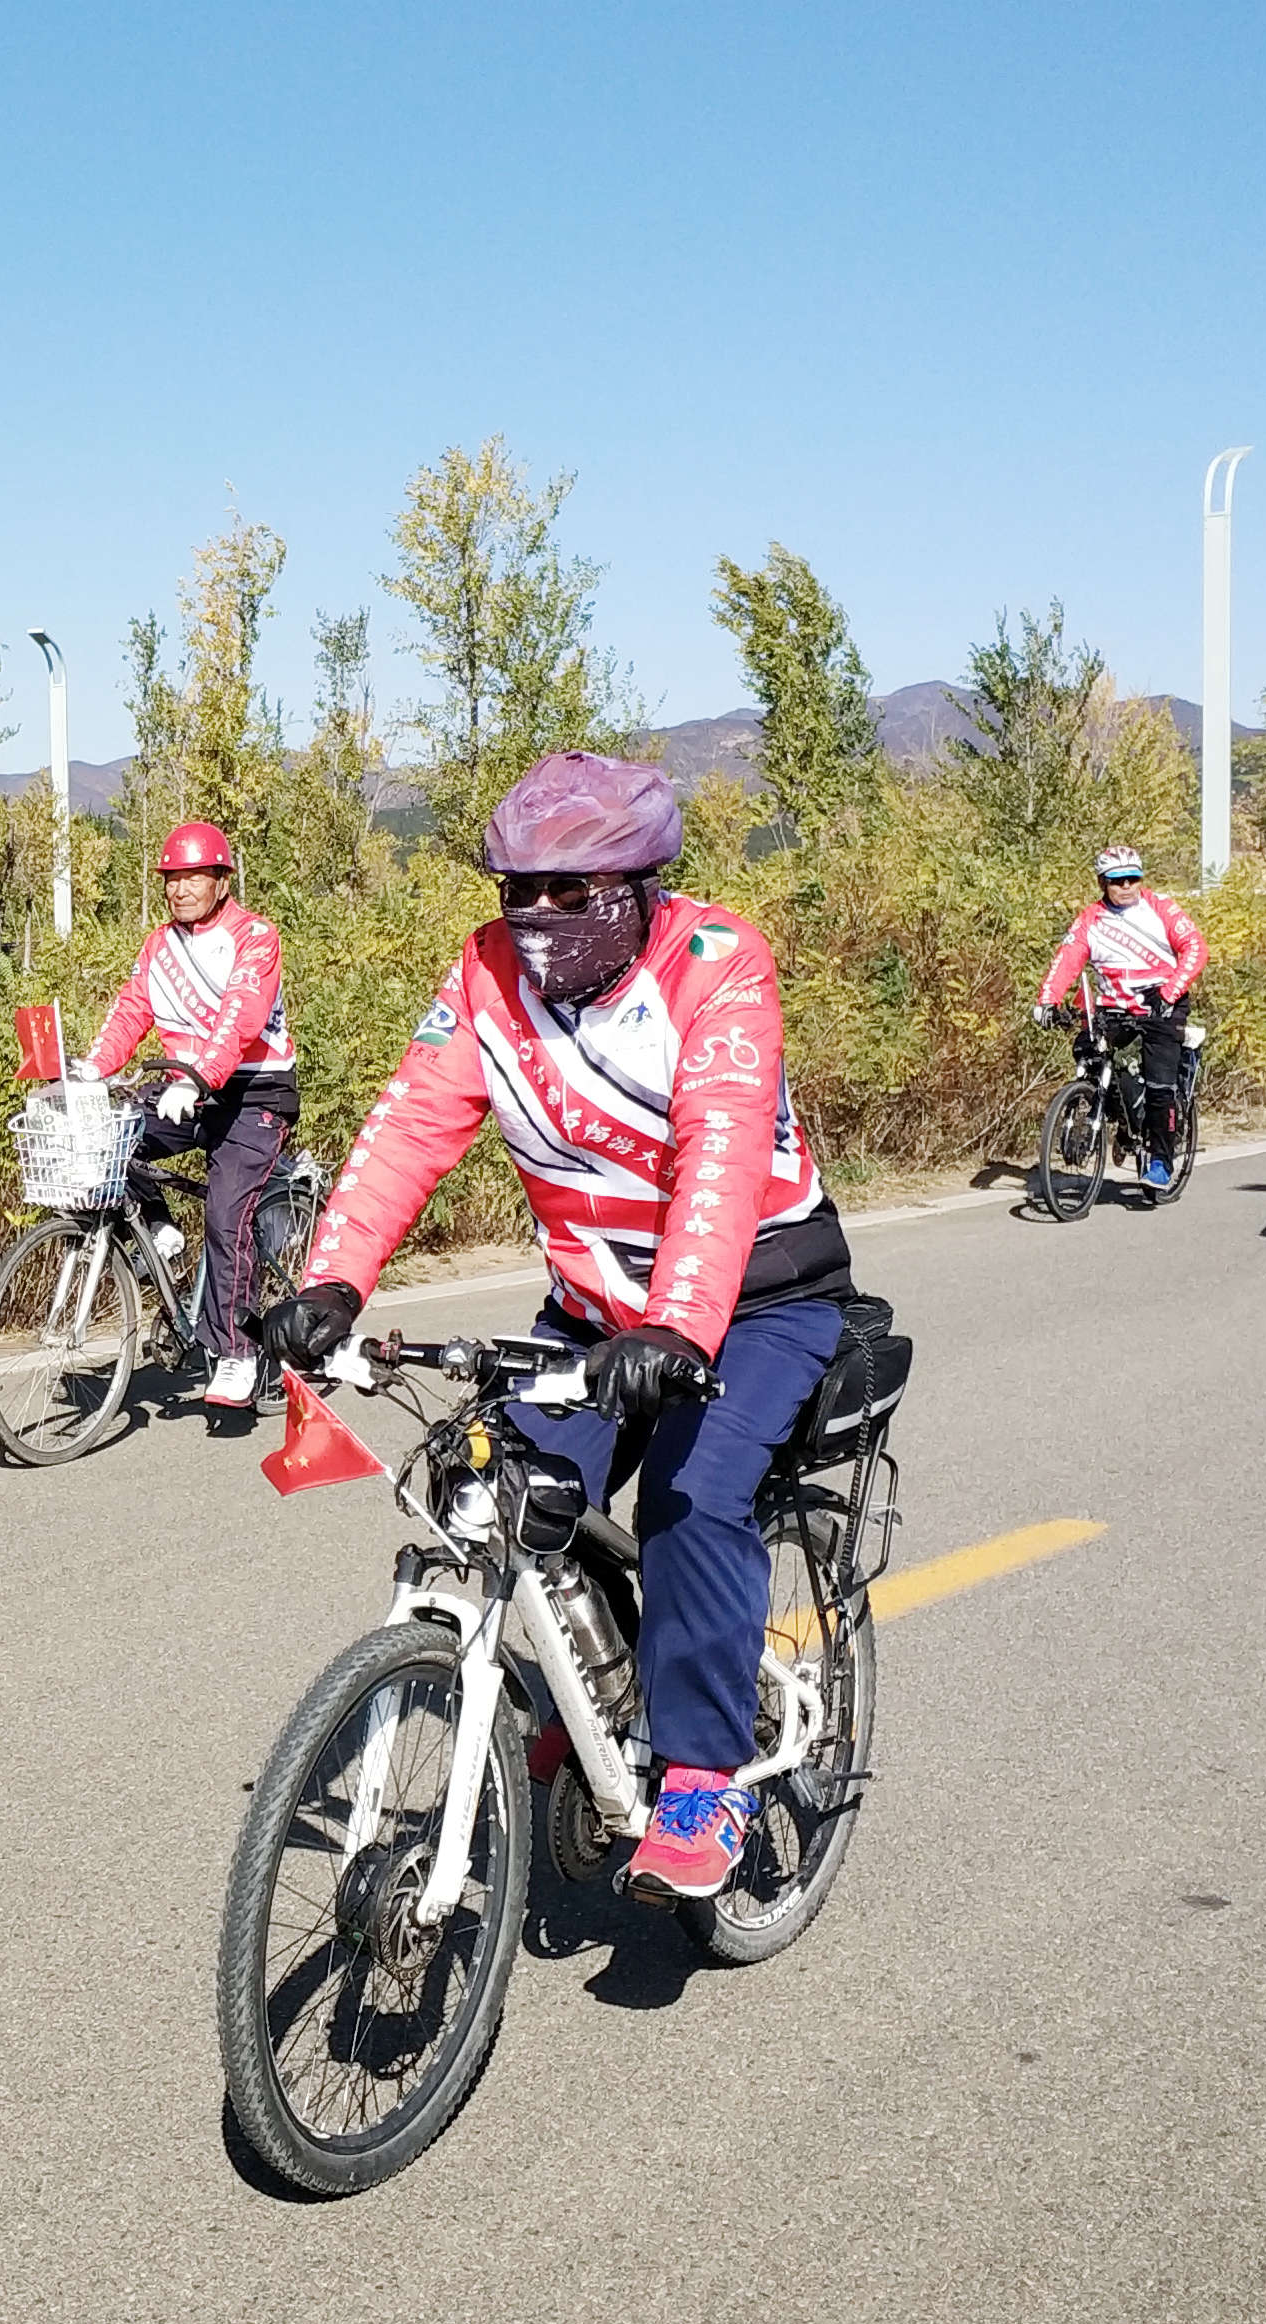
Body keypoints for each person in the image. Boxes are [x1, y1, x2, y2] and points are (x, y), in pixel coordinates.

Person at [257, 751, 855, 1908]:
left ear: (635, 886)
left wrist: (678, 1327)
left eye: (566, 892)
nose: (534, 914)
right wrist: (332, 1282)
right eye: (515, 889)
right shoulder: (486, 974)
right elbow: (410, 1125)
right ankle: (600, 1698)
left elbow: (721, 1152)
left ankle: (702, 1777)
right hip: (593, 1310)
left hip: (754, 1300)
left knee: (690, 1500)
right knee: (498, 1489)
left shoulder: (716, 964)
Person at [80, 819, 297, 1411]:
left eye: (194, 877)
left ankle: (237, 1353)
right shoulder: (159, 946)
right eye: (172, 879)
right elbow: (132, 1011)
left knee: (226, 1216)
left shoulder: (255, 937)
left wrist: (200, 1075)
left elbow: (241, 1016)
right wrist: (92, 1067)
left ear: (222, 880)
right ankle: (158, 1227)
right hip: (188, 1087)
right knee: (109, 1140)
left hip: (255, 1094)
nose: (180, 889)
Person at [1031, 847, 1206, 1192]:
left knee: (1159, 1085)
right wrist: (1048, 1002)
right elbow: (1067, 960)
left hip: (1162, 1004)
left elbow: (1195, 948)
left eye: (1132, 879)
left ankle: (1160, 1160)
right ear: (1102, 883)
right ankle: (1124, 1118)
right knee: (1088, 1053)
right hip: (1114, 1005)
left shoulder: (1161, 908)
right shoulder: (1090, 919)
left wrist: (1168, 993)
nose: (1126, 886)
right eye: (1117, 881)